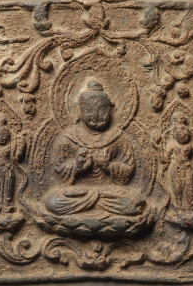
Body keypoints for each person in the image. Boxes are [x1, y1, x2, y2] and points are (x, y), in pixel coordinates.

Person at [45, 80, 145, 217]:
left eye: (102, 110)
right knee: (53, 202)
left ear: (110, 111)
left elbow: (128, 170)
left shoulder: (118, 137)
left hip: (109, 194)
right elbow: (59, 168)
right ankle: (94, 205)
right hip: (78, 193)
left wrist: (108, 166)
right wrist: (77, 167)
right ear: (79, 111)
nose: (96, 115)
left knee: (133, 202)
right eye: (89, 110)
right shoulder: (69, 137)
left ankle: (92, 206)